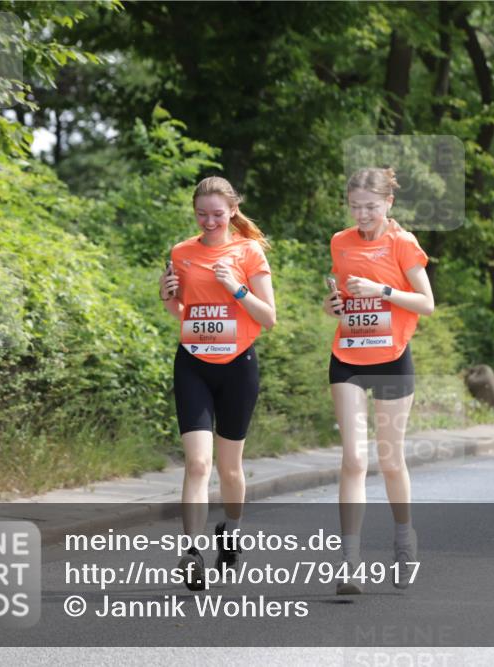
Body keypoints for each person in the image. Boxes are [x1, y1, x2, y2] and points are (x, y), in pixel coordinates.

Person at [158, 176, 276, 589]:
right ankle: (191, 553)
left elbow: (268, 317)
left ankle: (231, 530)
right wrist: (167, 296)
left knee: (229, 468)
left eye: (217, 215)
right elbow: (182, 312)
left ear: (232, 211)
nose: (209, 222)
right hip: (193, 364)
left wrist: (235, 288)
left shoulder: (249, 251)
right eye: (201, 214)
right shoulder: (181, 252)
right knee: (197, 463)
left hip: (238, 366)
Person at [323, 167, 434, 594]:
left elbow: (426, 302)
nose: (362, 215)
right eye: (355, 207)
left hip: (391, 358)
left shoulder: (403, 243)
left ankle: (404, 538)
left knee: (389, 460)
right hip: (347, 357)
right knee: (353, 459)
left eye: (370, 207)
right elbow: (340, 297)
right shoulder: (340, 241)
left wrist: (381, 290)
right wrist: (333, 305)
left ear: (388, 203)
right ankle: (349, 563)